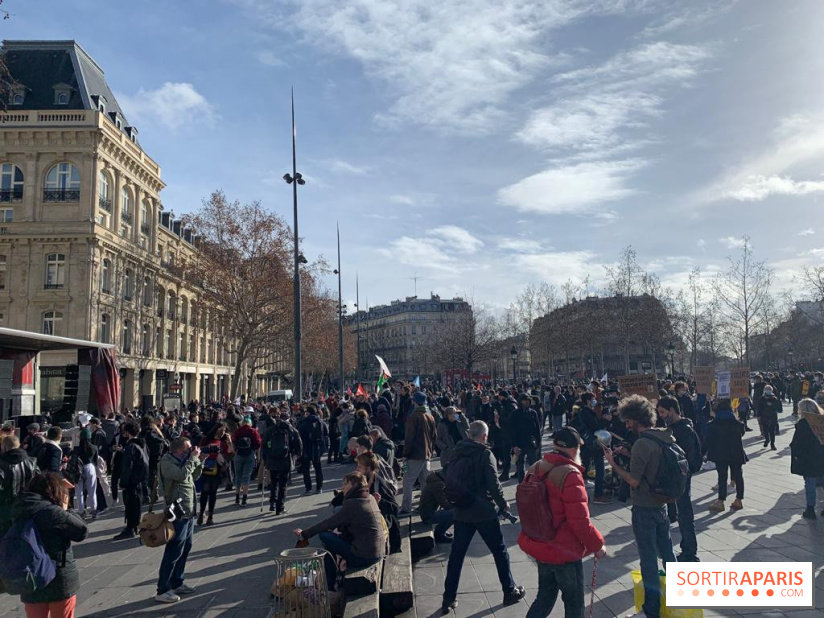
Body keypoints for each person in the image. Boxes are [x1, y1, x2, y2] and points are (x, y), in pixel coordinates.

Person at [519, 427, 606, 618]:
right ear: (575, 450)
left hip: (540, 544)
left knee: (544, 598)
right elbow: (580, 521)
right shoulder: (570, 474)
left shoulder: (535, 467)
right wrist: (597, 545)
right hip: (563, 550)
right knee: (574, 604)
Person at [603, 395, 677, 618]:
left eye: (628, 421)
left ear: (636, 419)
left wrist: (613, 464)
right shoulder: (663, 436)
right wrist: (630, 453)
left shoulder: (642, 444)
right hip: (662, 504)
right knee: (668, 552)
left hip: (644, 506)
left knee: (648, 559)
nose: (626, 425)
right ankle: (678, 595)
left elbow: (634, 480)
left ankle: (651, 609)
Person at [441, 421, 526, 614]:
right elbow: (493, 484)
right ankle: (509, 590)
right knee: (500, 551)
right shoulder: (485, 454)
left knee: (457, 555)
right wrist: (503, 503)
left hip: (462, 511)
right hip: (482, 511)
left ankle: (448, 598)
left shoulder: (458, 450)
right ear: (484, 436)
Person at [12, 472, 88, 617]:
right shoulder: (53, 512)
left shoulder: (19, 509)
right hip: (58, 577)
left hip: (30, 578)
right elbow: (81, 532)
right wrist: (66, 508)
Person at [293, 472, 386, 591]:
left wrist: (304, 534)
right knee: (337, 512)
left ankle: (329, 584)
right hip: (378, 550)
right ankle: (332, 577)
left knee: (325, 537)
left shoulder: (353, 504)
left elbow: (327, 523)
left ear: (354, 485)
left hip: (365, 556)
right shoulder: (369, 497)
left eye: (345, 484)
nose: (343, 487)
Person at [155, 436, 203, 604]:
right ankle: (163, 589)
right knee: (174, 551)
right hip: (176, 512)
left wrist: (199, 461)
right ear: (179, 450)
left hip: (188, 511)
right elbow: (182, 476)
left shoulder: (184, 460)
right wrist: (192, 459)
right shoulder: (167, 463)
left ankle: (177, 582)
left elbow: (195, 476)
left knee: (186, 548)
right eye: (187, 449)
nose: (190, 451)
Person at [656, 396, 701, 562]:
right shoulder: (673, 428)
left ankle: (690, 553)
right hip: (677, 477)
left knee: (685, 514)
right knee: (683, 514)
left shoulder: (683, 430)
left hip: (682, 477)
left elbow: (687, 458)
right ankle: (686, 548)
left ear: (672, 410)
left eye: (662, 412)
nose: (660, 415)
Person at [705, 399, 747, 513]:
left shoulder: (713, 424)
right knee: (738, 476)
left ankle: (721, 501)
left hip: (721, 454)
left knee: (722, 477)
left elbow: (708, 440)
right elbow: (742, 433)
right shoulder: (738, 423)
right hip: (736, 453)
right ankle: (739, 500)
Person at [401, 391, 437, 513]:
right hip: (426, 454)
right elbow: (434, 436)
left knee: (407, 481)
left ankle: (406, 508)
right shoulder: (430, 416)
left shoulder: (414, 416)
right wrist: (430, 451)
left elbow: (409, 437)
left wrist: (405, 454)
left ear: (414, 402)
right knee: (425, 482)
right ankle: (425, 506)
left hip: (415, 454)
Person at [790, 398, 824, 519]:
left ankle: (810, 508)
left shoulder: (803, 424)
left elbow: (798, 443)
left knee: (810, 482)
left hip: (809, 458)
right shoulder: (821, 420)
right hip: (822, 455)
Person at [262, 412, 302, 514]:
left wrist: (265, 459)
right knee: (283, 485)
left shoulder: (270, 430)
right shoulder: (289, 430)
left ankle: (273, 503)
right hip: (285, 460)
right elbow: (298, 442)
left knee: (274, 482)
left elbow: (264, 446)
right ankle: (280, 507)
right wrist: (297, 454)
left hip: (272, 460)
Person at [114, 421, 149, 540]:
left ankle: (130, 528)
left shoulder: (131, 447)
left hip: (131, 482)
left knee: (130, 505)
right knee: (136, 505)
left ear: (127, 433)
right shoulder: (141, 444)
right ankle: (134, 526)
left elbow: (127, 467)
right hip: (139, 481)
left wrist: (123, 482)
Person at [0, 435, 38, 536]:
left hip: (6, 509)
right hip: (28, 505)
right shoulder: (32, 462)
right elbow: (39, 483)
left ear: (4, 447)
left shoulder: (2, 465)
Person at [198, 422, 232, 526]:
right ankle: (201, 513)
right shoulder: (206, 439)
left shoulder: (224, 441)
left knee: (213, 493)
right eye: (222, 430)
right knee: (204, 492)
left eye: (225, 431)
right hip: (206, 468)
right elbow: (199, 451)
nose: (223, 432)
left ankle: (210, 516)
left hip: (217, 470)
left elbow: (230, 453)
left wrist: (229, 441)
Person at [512, 393, 543, 484]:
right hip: (519, 443)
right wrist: (514, 445)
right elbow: (512, 430)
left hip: (530, 443)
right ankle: (521, 484)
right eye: (524, 400)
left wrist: (538, 442)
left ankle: (533, 483)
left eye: (528, 400)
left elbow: (537, 429)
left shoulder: (533, 413)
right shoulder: (515, 414)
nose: (526, 402)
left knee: (533, 465)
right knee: (520, 466)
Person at [297, 405, 328, 494]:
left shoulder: (304, 421)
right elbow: (325, 433)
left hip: (306, 448)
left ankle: (308, 488)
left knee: (306, 469)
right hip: (317, 448)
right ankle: (319, 487)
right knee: (318, 468)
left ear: (308, 412)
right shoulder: (320, 421)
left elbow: (299, 434)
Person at [231, 416, 261, 507]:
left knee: (238, 475)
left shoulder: (238, 431)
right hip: (250, 454)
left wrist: (234, 452)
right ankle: (244, 498)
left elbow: (233, 441)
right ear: (250, 423)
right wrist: (258, 456)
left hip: (238, 454)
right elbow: (258, 444)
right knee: (246, 476)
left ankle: (237, 498)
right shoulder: (253, 431)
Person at [71, 428, 99, 520]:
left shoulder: (76, 448)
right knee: (92, 490)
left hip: (79, 468)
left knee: (79, 491)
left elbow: (73, 460)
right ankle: (94, 509)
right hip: (90, 467)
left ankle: (81, 511)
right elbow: (95, 461)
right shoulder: (94, 447)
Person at [419, 469, 454, 544]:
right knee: (454, 513)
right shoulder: (438, 484)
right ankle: (439, 534)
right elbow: (445, 504)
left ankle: (442, 531)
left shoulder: (435, 480)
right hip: (428, 516)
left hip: (426, 513)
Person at [756, 385, 782, 450]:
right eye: (767, 389)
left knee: (772, 431)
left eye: (769, 389)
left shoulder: (774, 398)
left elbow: (779, 409)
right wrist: (758, 416)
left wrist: (772, 405)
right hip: (764, 416)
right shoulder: (761, 398)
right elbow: (759, 408)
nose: (768, 391)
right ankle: (767, 440)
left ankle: (772, 444)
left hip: (772, 417)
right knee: (765, 430)